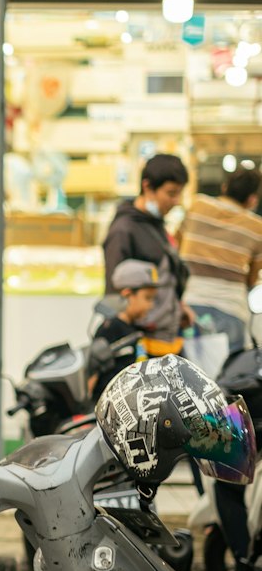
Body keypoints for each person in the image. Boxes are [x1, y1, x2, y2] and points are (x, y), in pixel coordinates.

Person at [102, 154, 193, 352]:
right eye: (171, 193)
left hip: (167, 338)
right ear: (148, 187)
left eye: (179, 194)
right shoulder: (124, 230)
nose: (176, 201)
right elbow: (114, 294)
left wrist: (178, 308)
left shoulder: (156, 225)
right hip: (143, 345)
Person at [179, 167, 262, 356]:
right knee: (227, 377)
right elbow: (251, 278)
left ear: (224, 187)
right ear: (252, 199)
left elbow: (178, 245)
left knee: (185, 375)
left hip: (190, 305)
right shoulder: (257, 228)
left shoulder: (197, 205)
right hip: (231, 308)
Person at [87, 260, 161, 402]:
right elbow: (93, 370)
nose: (151, 305)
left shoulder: (134, 328)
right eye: (147, 298)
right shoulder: (110, 328)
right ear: (128, 294)